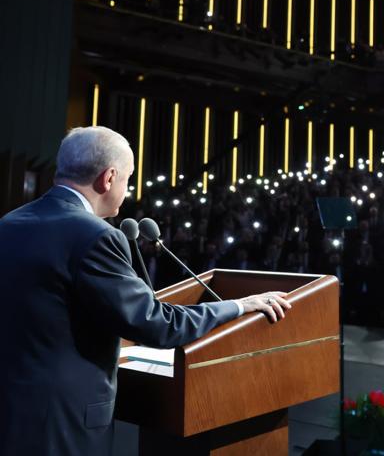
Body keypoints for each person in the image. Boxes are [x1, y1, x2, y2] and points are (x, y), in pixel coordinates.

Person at [0, 127, 291, 456]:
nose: (127, 190)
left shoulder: (10, 223)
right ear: (109, 178)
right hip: (62, 421)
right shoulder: (96, 235)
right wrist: (238, 306)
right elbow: (157, 324)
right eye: (128, 179)